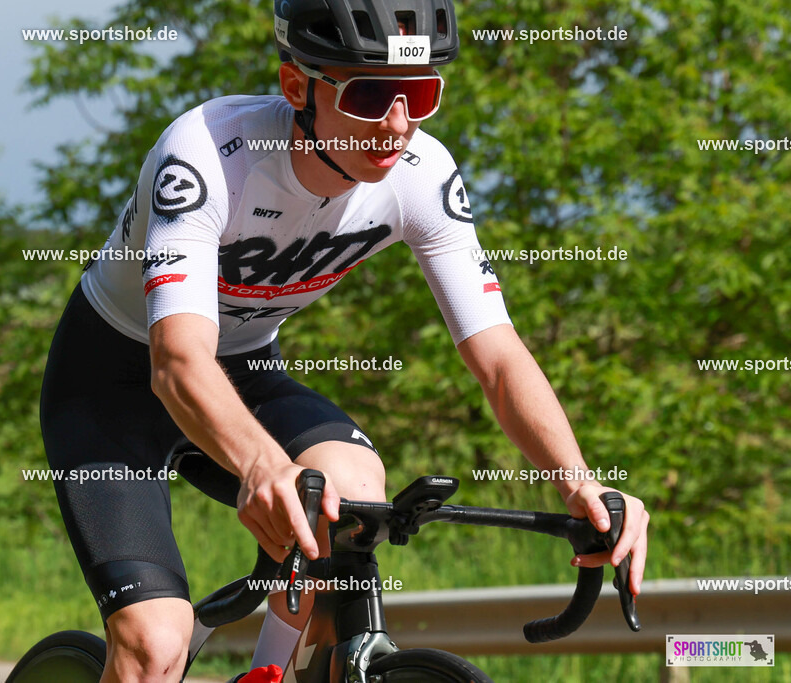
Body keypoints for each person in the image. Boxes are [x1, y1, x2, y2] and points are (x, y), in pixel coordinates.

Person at [39, 1, 651, 681]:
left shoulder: (422, 173)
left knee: (353, 491)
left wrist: (577, 482)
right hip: (115, 382)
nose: (398, 124)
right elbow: (177, 363)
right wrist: (265, 467)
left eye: (419, 94)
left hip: (243, 370)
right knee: (156, 644)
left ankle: (273, 670)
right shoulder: (209, 153)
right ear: (297, 87)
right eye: (368, 95)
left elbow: (499, 359)